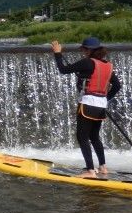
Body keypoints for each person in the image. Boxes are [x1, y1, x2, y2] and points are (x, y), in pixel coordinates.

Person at [51, 36, 121, 178]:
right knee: (94, 136)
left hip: (88, 103)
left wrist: (57, 53)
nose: (82, 52)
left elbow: (63, 70)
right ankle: (103, 167)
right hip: (101, 105)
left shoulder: (87, 62)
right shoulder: (108, 65)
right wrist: (105, 98)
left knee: (82, 136)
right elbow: (117, 85)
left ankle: (90, 171)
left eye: (83, 49)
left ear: (89, 50)